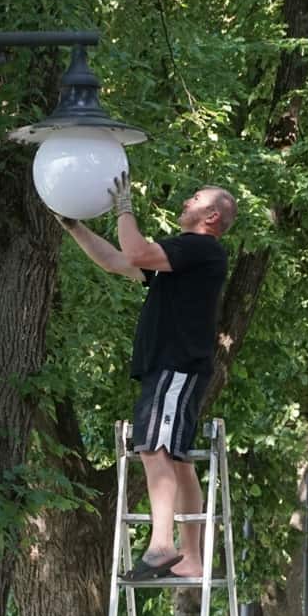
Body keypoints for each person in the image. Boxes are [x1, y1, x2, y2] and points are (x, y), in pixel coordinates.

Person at [59, 176, 236, 581]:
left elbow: (135, 251)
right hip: (177, 367)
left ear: (211, 216)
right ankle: (190, 557)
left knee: (155, 448)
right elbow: (117, 261)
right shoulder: (184, 259)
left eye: (196, 196)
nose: (187, 198)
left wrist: (124, 207)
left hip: (174, 366)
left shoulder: (199, 247)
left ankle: (161, 545)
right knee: (177, 459)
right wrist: (74, 226)